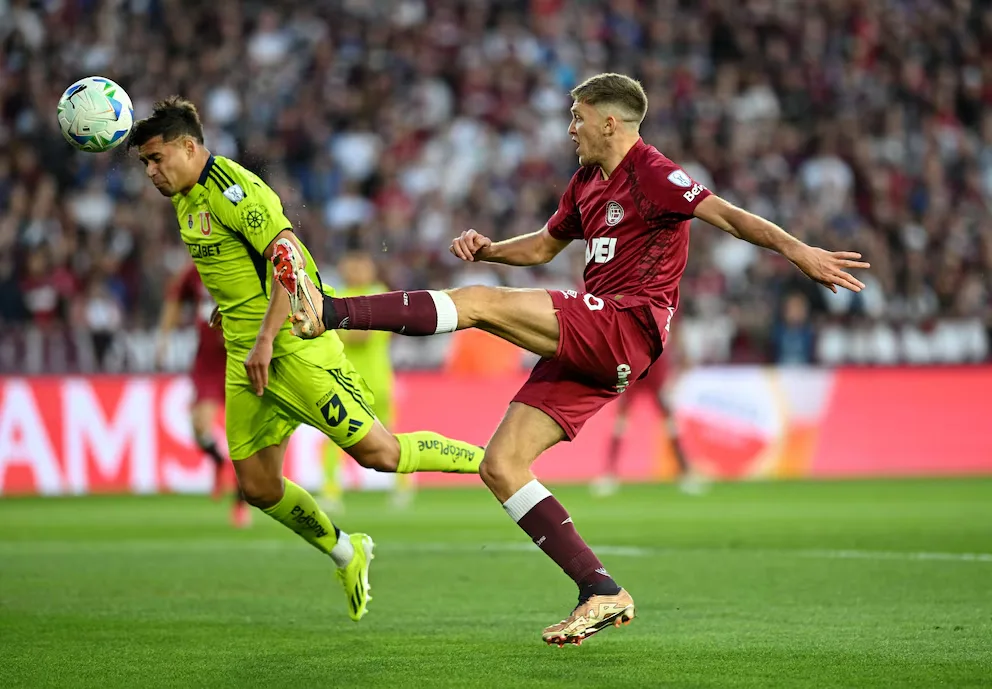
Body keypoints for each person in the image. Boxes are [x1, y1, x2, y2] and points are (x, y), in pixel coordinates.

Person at [272, 72, 870, 645]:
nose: (570, 129)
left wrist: (799, 251)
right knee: (502, 465)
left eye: (578, 118)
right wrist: (489, 250)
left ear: (611, 123)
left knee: (478, 306)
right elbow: (542, 246)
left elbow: (730, 216)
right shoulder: (585, 183)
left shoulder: (655, 174)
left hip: (625, 325)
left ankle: (327, 310)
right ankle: (600, 589)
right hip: (596, 337)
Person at [128, 97, 485, 622]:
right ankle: (347, 550)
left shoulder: (236, 190)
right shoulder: (185, 197)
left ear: (188, 146)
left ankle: (489, 459)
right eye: (144, 164)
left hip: (293, 348)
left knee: (380, 455)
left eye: (157, 159)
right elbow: (236, 267)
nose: (151, 172)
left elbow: (288, 257)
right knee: (257, 486)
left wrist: (267, 336)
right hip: (245, 356)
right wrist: (232, 314)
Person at [156, 261, 250, 527]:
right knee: (199, 426)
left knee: (241, 436)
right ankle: (218, 461)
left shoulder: (241, 263)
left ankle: (240, 502)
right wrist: (163, 338)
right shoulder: (193, 271)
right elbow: (175, 300)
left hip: (239, 357)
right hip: (207, 361)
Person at [321, 249, 413, 512]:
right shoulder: (337, 295)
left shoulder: (377, 292)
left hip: (377, 379)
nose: (355, 271)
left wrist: (339, 327)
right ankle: (330, 490)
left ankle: (403, 485)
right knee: (334, 435)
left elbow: (360, 336)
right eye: (350, 266)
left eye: (360, 266)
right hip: (346, 379)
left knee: (390, 434)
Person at [591, 328, 703, 497]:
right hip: (633, 362)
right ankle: (609, 474)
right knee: (621, 420)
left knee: (668, 419)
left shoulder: (667, 303)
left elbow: (674, 328)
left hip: (655, 363)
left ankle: (685, 473)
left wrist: (681, 356)